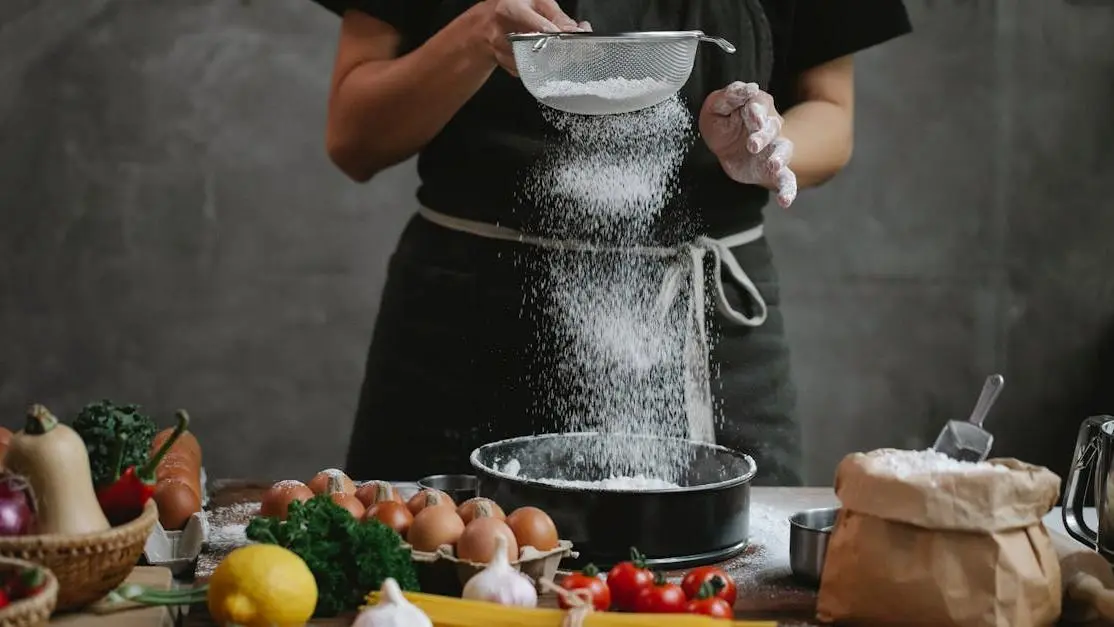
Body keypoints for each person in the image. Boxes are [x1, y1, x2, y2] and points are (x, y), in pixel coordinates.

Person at [313, 0, 912, 485]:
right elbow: (354, 137)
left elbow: (831, 110)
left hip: (706, 330)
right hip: (466, 327)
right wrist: (477, 36)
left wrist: (764, 147)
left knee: (726, 585)